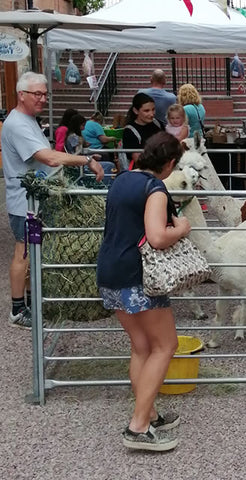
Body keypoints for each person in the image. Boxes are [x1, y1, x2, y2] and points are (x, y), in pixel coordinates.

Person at [97, 132, 189, 451]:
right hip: (138, 276)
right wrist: (182, 228)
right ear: (170, 164)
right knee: (165, 345)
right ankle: (138, 426)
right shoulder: (156, 189)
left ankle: (148, 413)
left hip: (109, 271)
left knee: (141, 346)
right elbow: (157, 237)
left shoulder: (123, 178)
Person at [1, 71, 104, 329]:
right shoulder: (18, 124)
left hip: (35, 199)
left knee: (31, 252)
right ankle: (17, 309)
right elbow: (49, 158)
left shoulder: (28, 120)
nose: (43, 99)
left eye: (45, 94)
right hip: (24, 202)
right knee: (23, 252)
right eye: (37, 94)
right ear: (21, 95)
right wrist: (85, 160)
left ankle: (31, 303)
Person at [122, 92, 163, 170]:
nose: (151, 114)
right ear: (136, 111)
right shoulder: (129, 131)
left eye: (153, 109)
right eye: (146, 111)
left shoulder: (157, 123)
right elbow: (138, 160)